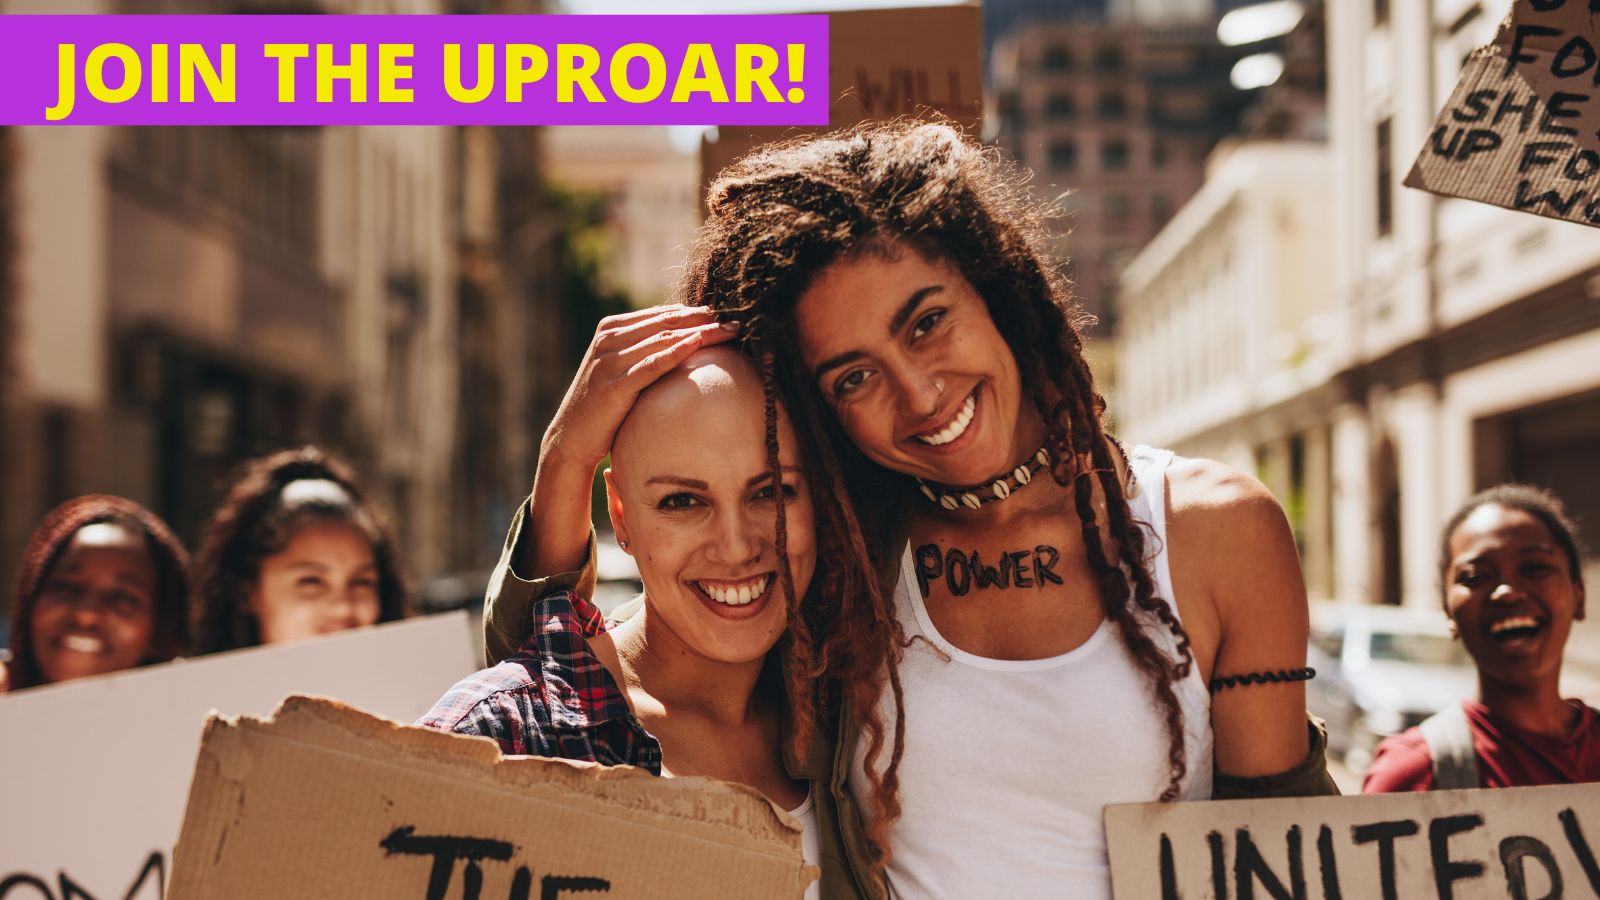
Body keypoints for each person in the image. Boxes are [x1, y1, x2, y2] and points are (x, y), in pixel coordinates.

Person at [483, 121, 1336, 899]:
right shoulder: (844, 543)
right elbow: (564, 693)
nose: (919, 393)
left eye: (927, 322)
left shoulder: (1215, 528)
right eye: (853, 377)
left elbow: (1280, 849)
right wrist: (566, 462)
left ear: (993, 289)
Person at [421, 346, 864, 900]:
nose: (736, 546)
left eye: (772, 492)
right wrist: (561, 458)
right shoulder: (501, 734)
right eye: (682, 501)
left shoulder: (861, 722)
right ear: (621, 518)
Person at [1363, 484, 1597, 792]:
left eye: (1535, 568)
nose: (1507, 592)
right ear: (1448, 612)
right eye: (1475, 576)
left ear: (1579, 597)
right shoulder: (1413, 775)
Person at [189, 447, 407, 654]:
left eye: (362, 582)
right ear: (247, 593)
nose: (343, 609)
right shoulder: (186, 692)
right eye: (311, 581)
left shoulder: (422, 690)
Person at [3, 495, 189, 692]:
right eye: (66, 587)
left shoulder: (193, 716)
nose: (86, 614)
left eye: (122, 598)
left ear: (157, 632)